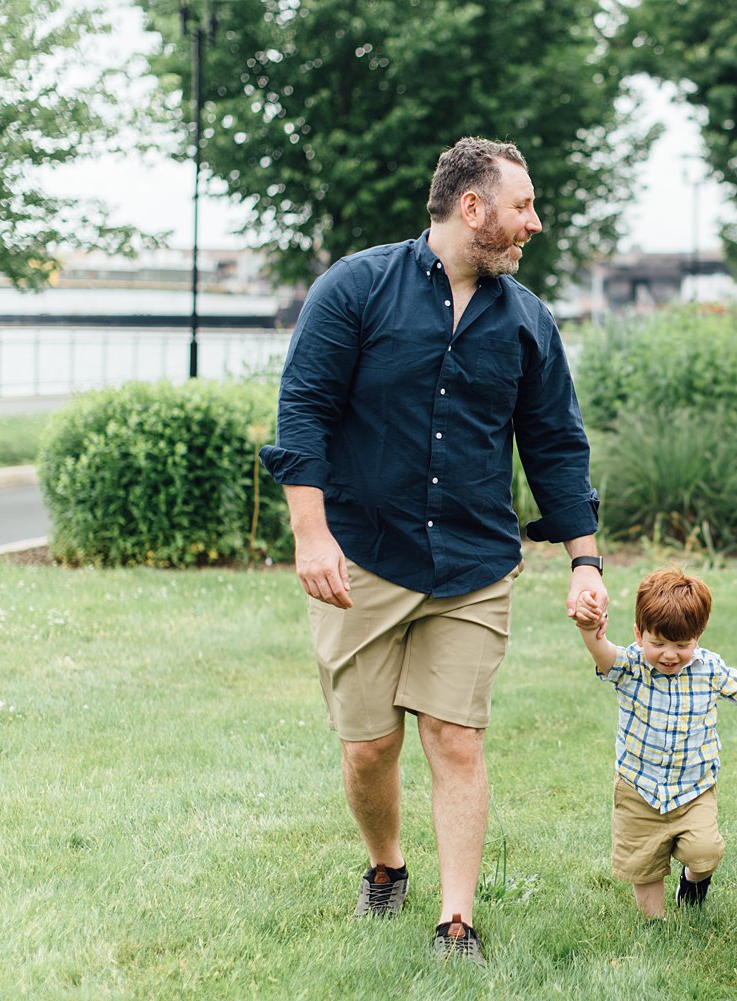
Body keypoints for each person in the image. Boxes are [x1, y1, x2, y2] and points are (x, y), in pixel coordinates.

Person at [259, 137, 608, 964]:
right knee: (369, 745)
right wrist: (311, 533)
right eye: (523, 206)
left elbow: (556, 443)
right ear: (473, 207)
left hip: (474, 565)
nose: (535, 222)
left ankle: (457, 921)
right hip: (364, 555)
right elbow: (302, 408)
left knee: (457, 737)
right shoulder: (356, 287)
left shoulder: (528, 320)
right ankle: (387, 861)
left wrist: (585, 560)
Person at [571, 567, 737, 920]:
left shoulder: (710, 669)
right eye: (658, 643)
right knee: (645, 863)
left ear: (697, 637)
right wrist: (589, 631)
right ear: (639, 635)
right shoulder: (631, 666)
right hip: (639, 787)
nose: (669, 654)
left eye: (682, 645)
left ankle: (693, 883)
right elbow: (603, 655)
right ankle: (655, 921)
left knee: (706, 853)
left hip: (694, 788)